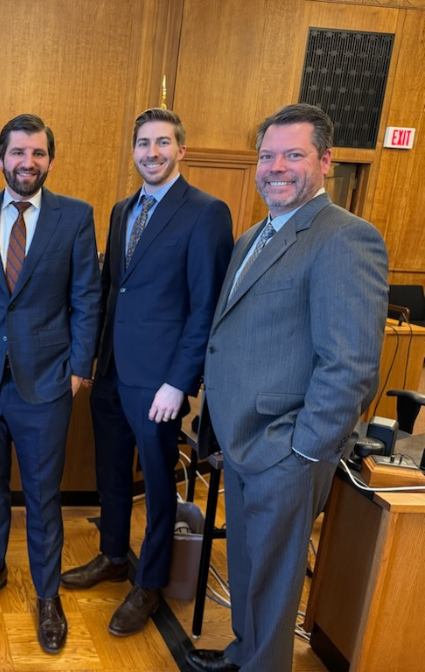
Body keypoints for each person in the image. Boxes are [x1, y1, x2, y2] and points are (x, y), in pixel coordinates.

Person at [186, 103, 388, 672]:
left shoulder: (346, 239)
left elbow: (350, 364)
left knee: (274, 585)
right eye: (267, 155)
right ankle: (244, 654)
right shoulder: (255, 234)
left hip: (285, 450)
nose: (276, 167)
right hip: (246, 443)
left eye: (293, 155)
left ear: (324, 161)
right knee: (250, 567)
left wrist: (301, 452)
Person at [61, 108, 234, 636]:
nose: (152, 152)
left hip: (160, 380)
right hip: (111, 370)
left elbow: (207, 307)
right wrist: (90, 358)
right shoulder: (121, 209)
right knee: (110, 472)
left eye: (163, 143)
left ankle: (151, 582)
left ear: (181, 150)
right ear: (133, 150)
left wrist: (180, 381)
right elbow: (112, 287)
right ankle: (113, 554)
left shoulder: (207, 212)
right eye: (143, 143)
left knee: (158, 484)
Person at [0, 113, 101, 654]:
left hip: (47, 381)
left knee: (42, 493)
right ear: (0, 157)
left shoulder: (76, 217)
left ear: (49, 160)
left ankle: (48, 594)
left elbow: (86, 297)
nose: (26, 162)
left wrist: (81, 365)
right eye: (17, 152)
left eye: (37, 153)